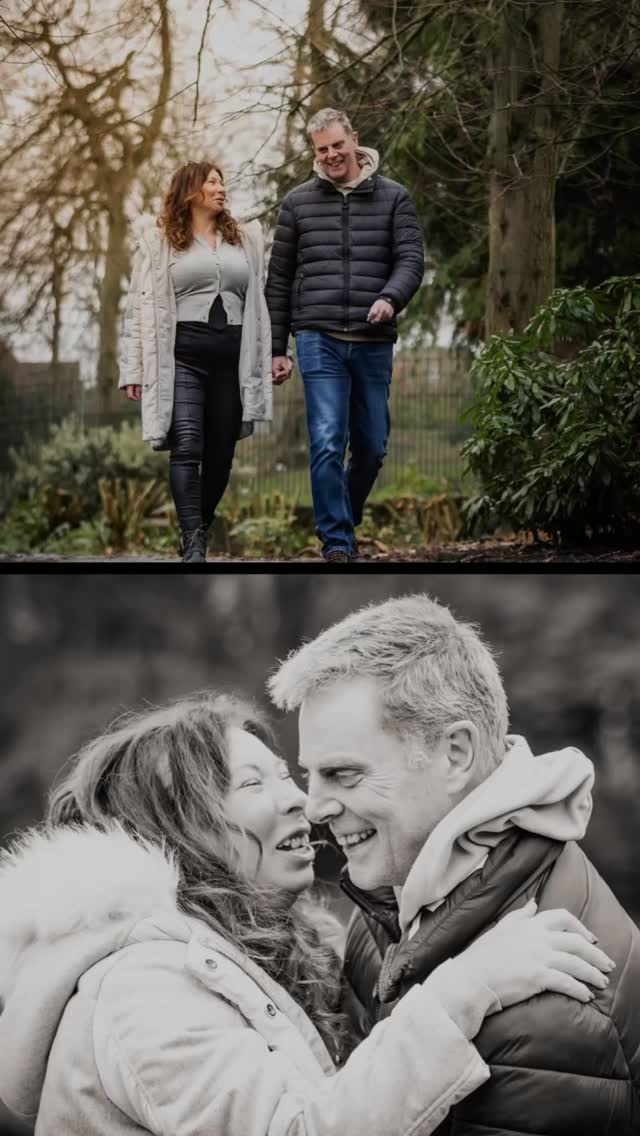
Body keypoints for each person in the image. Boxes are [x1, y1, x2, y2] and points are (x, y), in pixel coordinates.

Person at [0, 693, 612, 1136]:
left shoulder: (264, 950)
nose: (302, 799)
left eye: (285, 776)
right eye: (254, 785)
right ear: (180, 827)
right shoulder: (142, 989)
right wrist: (469, 985)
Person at [268, 594, 640, 1135]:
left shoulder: (551, 1008)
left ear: (456, 754)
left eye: (344, 774)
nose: (314, 806)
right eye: (311, 775)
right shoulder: (396, 900)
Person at [265, 108, 424, 562]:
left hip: (374, 337)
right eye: (322, 149)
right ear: (314, 152)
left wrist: (390, 298)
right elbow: (278, 280)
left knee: (372, 446)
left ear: (354, 139)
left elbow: (411, 260)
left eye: (337, 145)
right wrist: (278, 348)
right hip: (318, 337)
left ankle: (344, 517)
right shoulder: (297, 203)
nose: (331, 155)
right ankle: (337, 544)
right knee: (327, 440)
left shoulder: (395, 197)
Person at [118, 161, 273, 563]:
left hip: (232, 361)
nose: (221, 188)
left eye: (223, 181)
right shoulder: (160, 243)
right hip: (182, 358)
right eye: (212, 182)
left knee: (221, 456)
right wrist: (132, 369)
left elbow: (262, 304)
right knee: (187, 444)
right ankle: (194, 545)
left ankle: (197, 526)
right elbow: (138, 308)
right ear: (190, 191)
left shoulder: (246, 240)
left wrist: (275, 353)